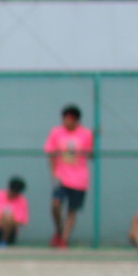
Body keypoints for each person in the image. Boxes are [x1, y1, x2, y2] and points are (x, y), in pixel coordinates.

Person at [44, 104, 93, 249]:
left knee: (72, 210)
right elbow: (51, 153)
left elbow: (90, 155)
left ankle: (64, 238)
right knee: (56, 204)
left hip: (79, 179)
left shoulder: (86, 134)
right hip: (61, 177)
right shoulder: (56, 132)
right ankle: (58, 231)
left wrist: (95, 138)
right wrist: (54, 173)